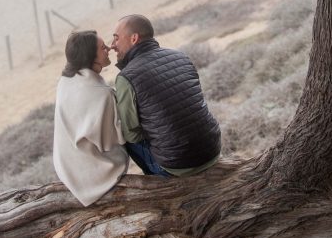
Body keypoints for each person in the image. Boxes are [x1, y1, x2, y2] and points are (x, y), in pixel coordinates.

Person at [111, 14, 221, 177]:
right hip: (212, 150)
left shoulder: (127, 77)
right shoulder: (181, 56)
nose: (112, 45)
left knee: (123, 136)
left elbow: (132, 135)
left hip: (177, 165)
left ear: (134, 38)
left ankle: (156, 178)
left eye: (116, 38)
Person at [53, 30, 128, 206]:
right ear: (90, 57)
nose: (109, 48)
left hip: (66, 168)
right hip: (95, 175)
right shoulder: (101, 95)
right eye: (103, 48)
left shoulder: (66, 81)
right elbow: (112, 141)